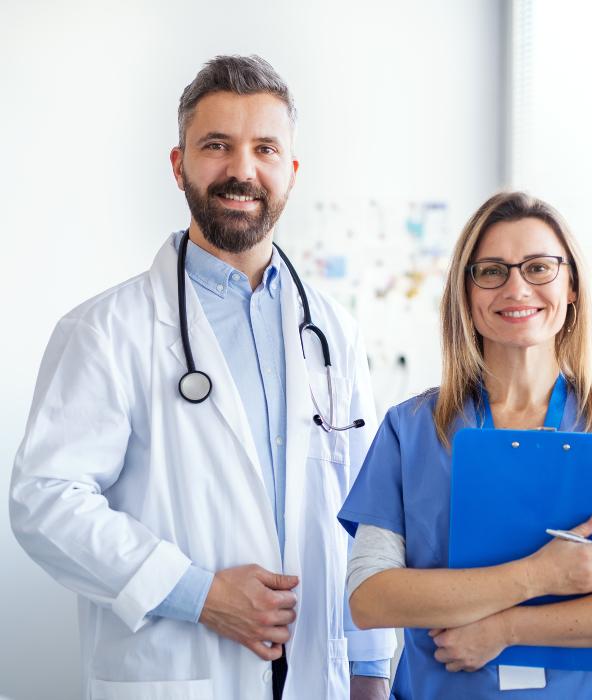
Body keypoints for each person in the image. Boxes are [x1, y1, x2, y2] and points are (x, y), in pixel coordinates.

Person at [10, 55, 395, 700]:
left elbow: (366, 514)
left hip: (316, 677)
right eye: (217, 145)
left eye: (264, 148)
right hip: (179, 669)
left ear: (290, 172)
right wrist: (200, 593)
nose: (242, 170)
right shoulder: (107, 330)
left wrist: (369, 669)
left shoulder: (334, 333)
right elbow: (45, 500)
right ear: (178, 163)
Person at [338, 191, 592, 699]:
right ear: (466, 292)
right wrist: (538, 575)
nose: (516, 287)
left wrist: (504, 630)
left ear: (571, 285)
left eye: (538, 267)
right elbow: (369, 597)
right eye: (491, 271)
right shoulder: (412, 429)